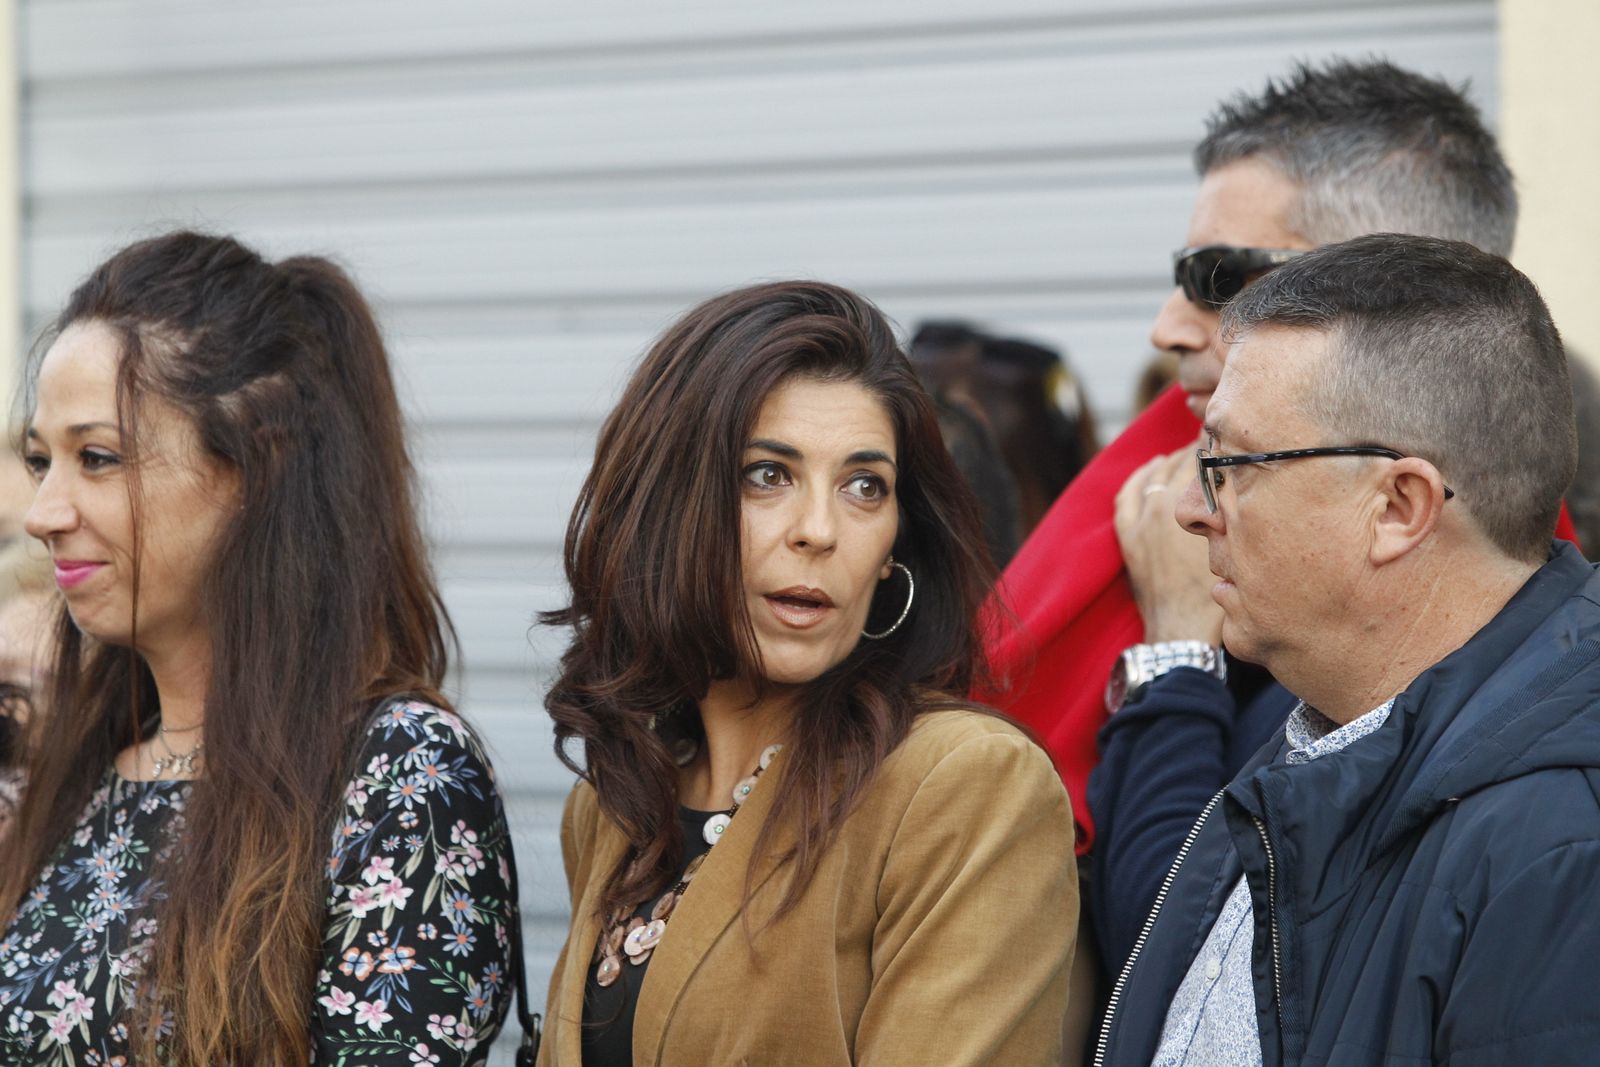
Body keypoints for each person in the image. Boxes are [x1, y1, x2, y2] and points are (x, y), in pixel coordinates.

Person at [975, 58, 1577, 984]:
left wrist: (1178, 657)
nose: (1170, 326)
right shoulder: (1167, 509)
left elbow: (1190, 967)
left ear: (1385, 283)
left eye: (1219, 276)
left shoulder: (1539, 758)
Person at [0, 232, 515, 1066]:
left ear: (255, 467)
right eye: (41, 460)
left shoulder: (398, 773)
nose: (44, 511)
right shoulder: (85, 758)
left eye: (97, 458)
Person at [537, 281, 1077, 1065]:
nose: (819, 531)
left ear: (895, 542)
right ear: (669, 503)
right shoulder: (614, 802)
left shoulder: (963, 784)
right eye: (768, 474)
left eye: (865, 487)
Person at [1096, 233, 1600, 1065]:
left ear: (1399, 506)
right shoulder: (1317, 738)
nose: (1190, 506)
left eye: (1229, 462)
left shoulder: (1558, 852)